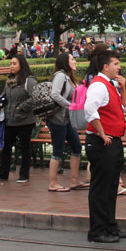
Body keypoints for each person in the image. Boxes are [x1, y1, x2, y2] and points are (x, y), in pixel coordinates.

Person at [84, 45, 126, 243]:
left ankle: (110, 226)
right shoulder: (98, 85)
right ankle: (98, 230)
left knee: (111, 187)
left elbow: (125, 107)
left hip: (112, 140)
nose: (118, 67)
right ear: (105, 67)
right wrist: (102, 134)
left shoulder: (109, 84)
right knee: (101, 188)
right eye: (115, 64)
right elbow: (89, 110)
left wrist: (123, 87)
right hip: (103, 141)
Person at [0, 54, 37, 183]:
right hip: (9, 119)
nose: (11, 66)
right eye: (11, 63)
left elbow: (35, 97)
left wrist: (21, 107)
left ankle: (24, 173)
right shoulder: (9, 81)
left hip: (24, 120)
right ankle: (3, 172)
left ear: (22, 65)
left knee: (24, 147)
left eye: (14, 64)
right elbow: (5, 95)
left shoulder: (29, 80)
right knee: (6, 147)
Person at [46, 51, 88, 192]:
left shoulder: (69, 78)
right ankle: (53, 183)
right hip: (58, 119)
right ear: (65, 62)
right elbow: (55, 94)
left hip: (67, 119)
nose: (75, 61)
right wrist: (70, 106)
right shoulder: (60, 76)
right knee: (58, 150)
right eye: (72, 59)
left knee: (76, 146)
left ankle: (74, 181)